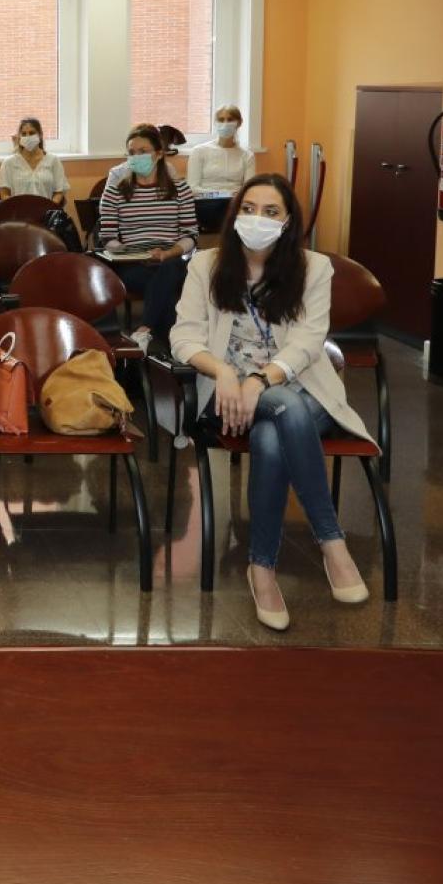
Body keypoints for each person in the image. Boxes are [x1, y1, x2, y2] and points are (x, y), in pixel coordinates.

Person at [170, 175, 372, 631]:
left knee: (282, 410)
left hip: (304, 390)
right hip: (230, 395)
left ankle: (265, 569)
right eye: (248, 208)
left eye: (271, 211)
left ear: (288, 221)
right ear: (234, 213)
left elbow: (306, 343)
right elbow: (183, 336)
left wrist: (261, 380)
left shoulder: (314, 268)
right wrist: (223, 372)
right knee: (274, 427)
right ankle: (328, 548)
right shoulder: (205, 266)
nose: (257, 218)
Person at [97, 123, 200, 346]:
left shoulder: (180, 189)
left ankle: (144, 330)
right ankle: (170, 347)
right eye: (132, 153)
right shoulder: (116, 190)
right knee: (167, 291)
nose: (136, 157)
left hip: (171, 258)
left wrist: (168, 252)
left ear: (159, 154)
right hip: (133, 264)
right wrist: (127, 252)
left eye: (143, 152)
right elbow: (108, 237)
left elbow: (190, 235)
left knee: (169, 268)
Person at [189, 105, 258, 234]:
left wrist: (232, 196)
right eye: (221, 120)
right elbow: (193, 188)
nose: (225, 124)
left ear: (239, 123)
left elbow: (249, 188)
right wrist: (221, 194)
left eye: (230, 119)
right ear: (215, 123)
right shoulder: (199, 151)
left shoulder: (247, 155)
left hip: (234, 204)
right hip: (206, 204)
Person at [0, 116, 70, 204]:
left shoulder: (53, 160)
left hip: (46, 213)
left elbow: (59, 191)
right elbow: (4, 194)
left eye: (31, 133)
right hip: (19, 214)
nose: (27, 137)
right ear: (20, 137)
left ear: (40, 134)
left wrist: (50, 207)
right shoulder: (9, 163)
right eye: (24, 134)